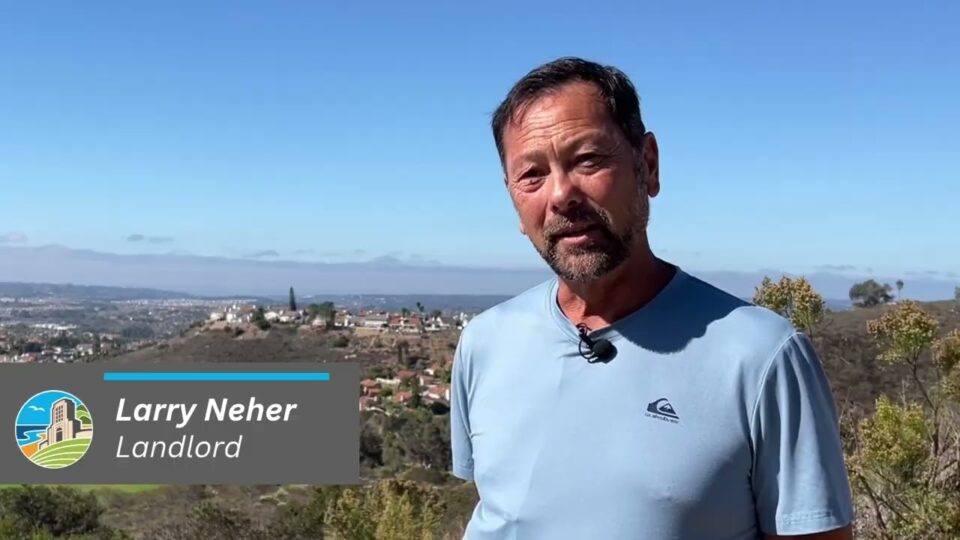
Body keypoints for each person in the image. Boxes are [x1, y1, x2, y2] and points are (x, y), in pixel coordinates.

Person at [450, 57, 854, 540]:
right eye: (532, 175)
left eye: (588, 160)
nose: (561, 195)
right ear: (514, 200)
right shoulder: (484, 342)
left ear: (648, 166)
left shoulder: (762, 357)